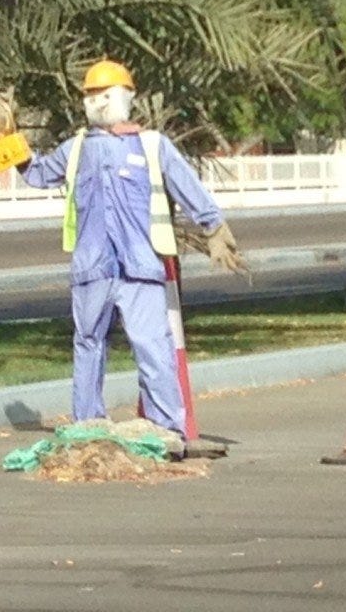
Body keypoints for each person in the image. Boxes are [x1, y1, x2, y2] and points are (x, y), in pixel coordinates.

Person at [17, 59, 245, 437]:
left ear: (126, 96)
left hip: (140, 266)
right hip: (92, 268)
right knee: (88, 342)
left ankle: (166, 426)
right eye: (90, 95)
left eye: (104, 94)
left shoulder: (153, 146)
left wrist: (214, 227)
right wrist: (9, 148)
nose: (97, 102)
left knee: (152, 344)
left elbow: (187, 186)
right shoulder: (76, 148)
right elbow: (38, 173)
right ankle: (88, 422)